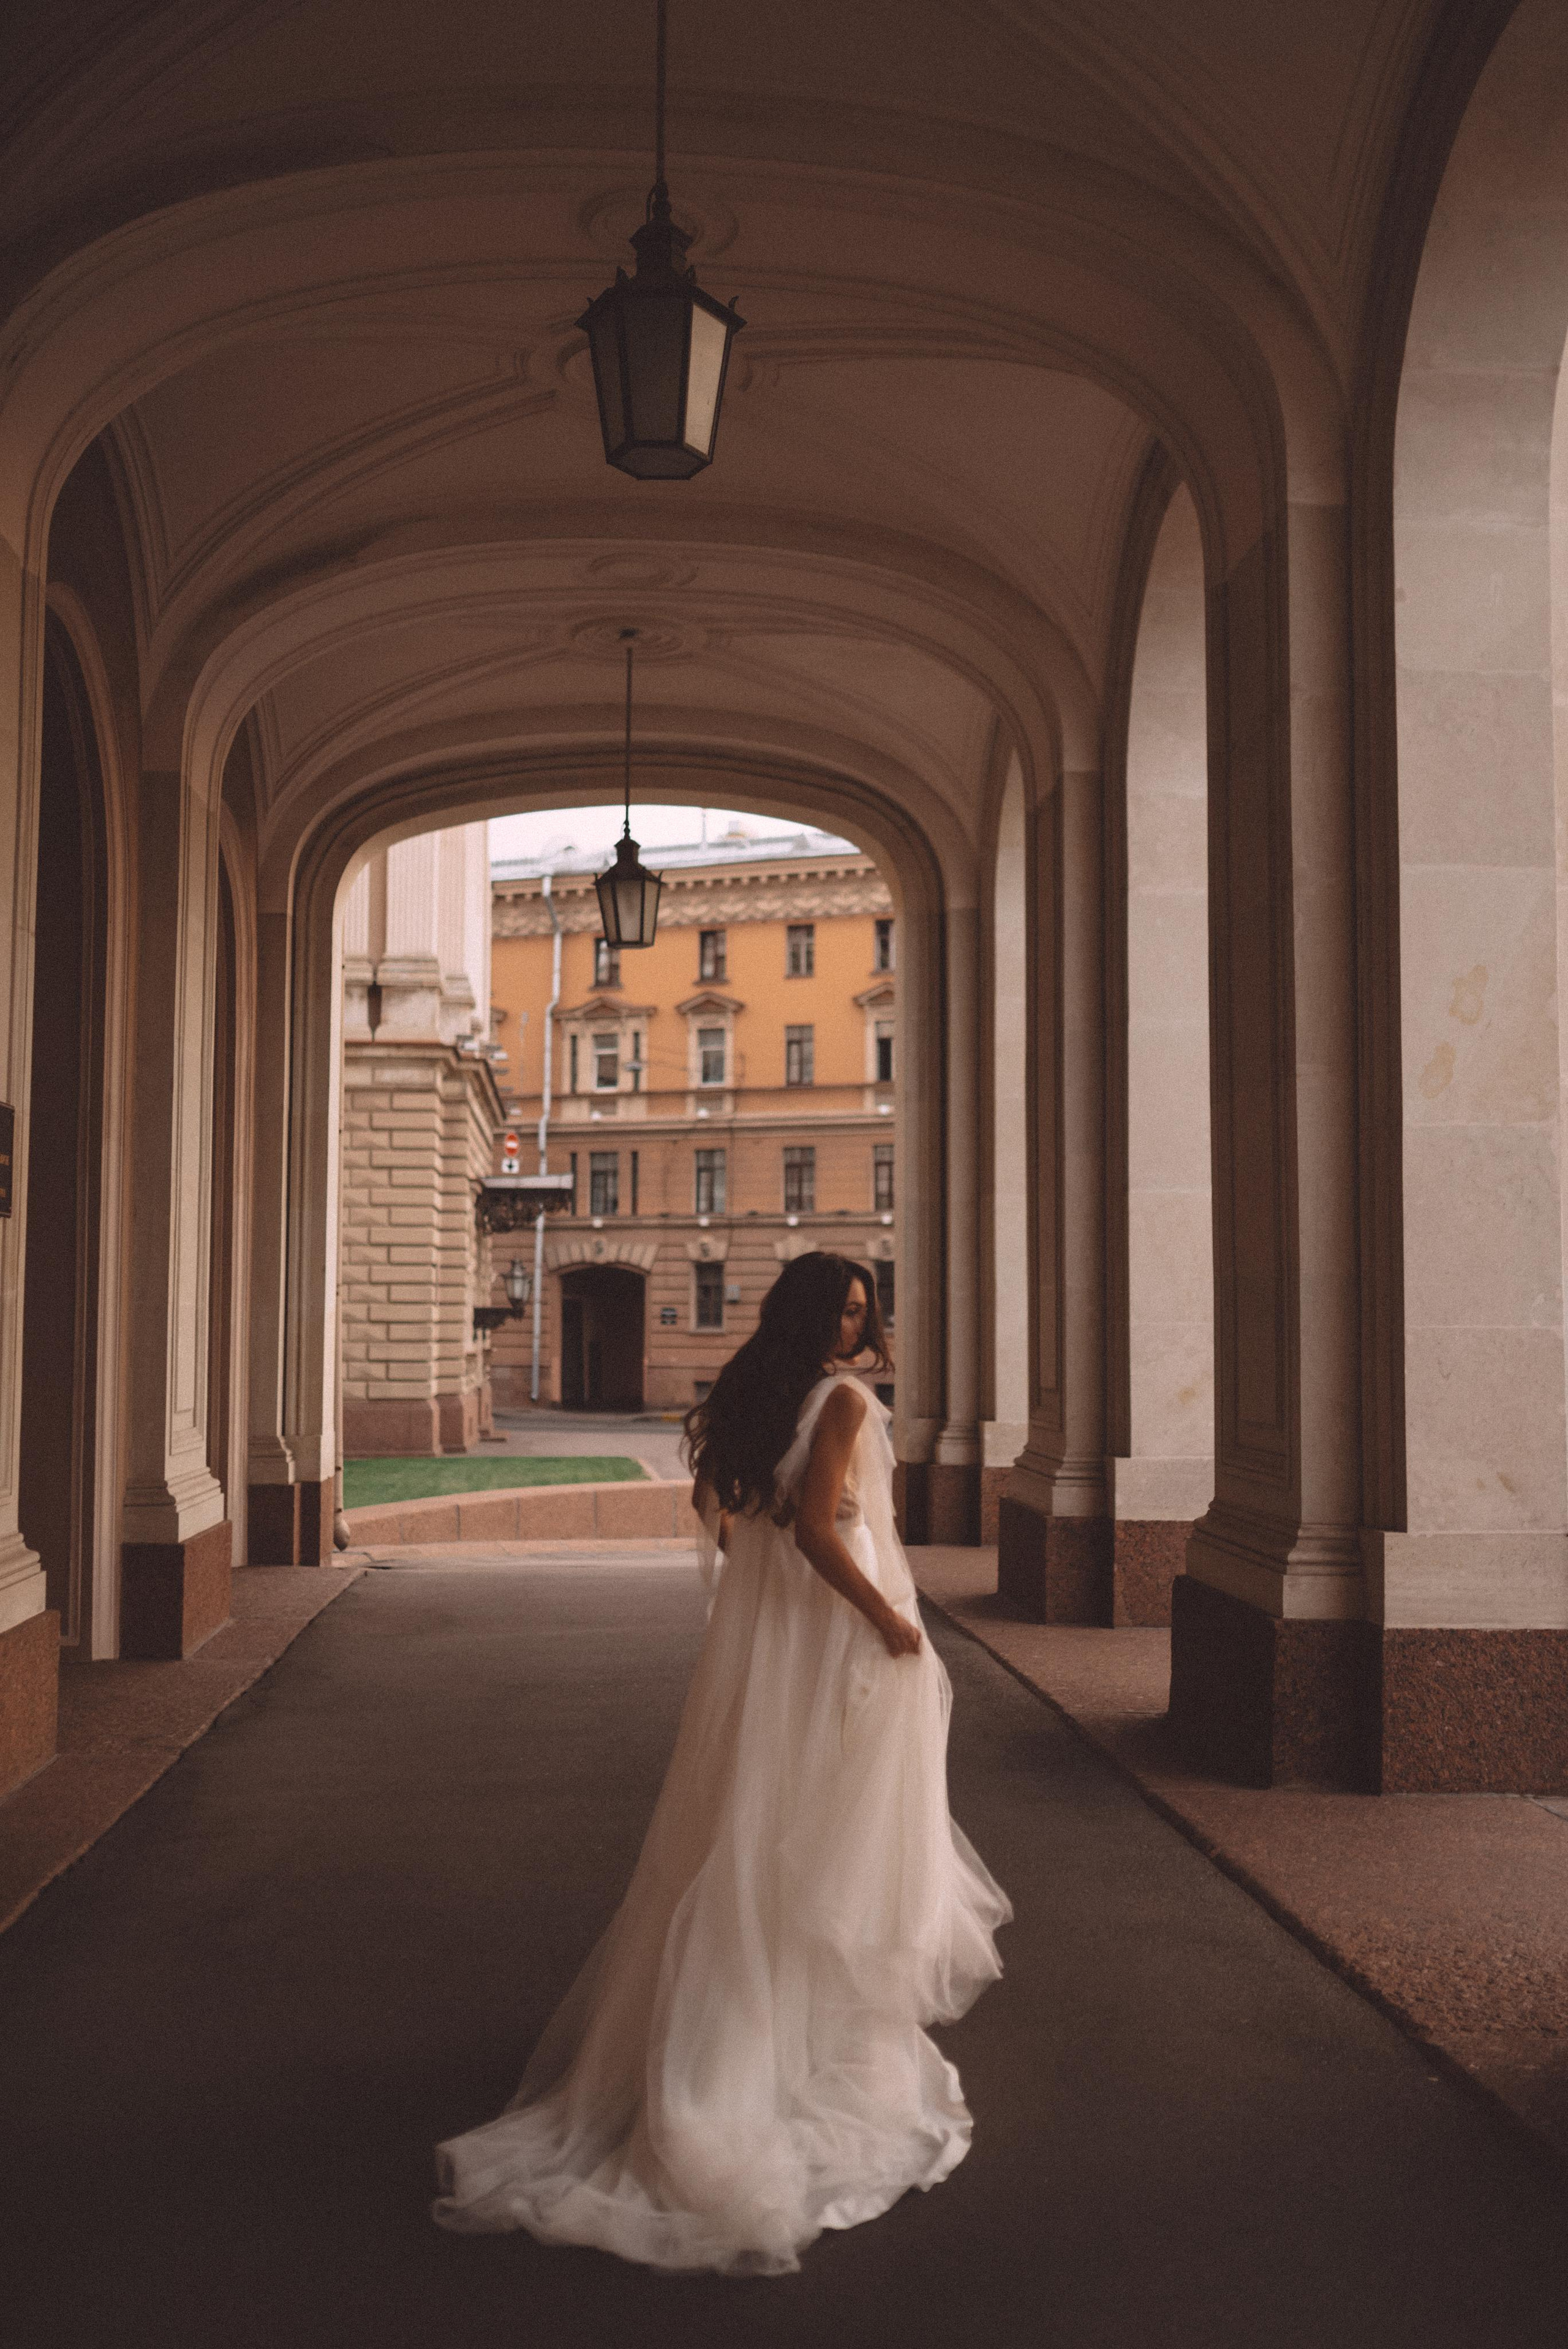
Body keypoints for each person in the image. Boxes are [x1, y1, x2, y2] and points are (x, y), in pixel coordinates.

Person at [432, 1251, 1011, 2276]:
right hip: (842, 1632)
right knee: (830, 1837)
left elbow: (726, 1510)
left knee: (761, 1826)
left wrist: (774, 1589)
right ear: (811, 1318)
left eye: (862, 1309)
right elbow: (826, 1533)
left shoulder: (763, 1396)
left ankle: (740, 2044)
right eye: (841, 1308)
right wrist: (888, 1621)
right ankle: (789, 2060)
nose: (853, 1324)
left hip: (785, 1639)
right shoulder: (841, 1402)